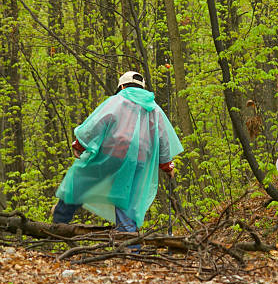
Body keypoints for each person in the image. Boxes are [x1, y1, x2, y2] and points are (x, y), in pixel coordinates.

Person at [52, 71, 183, 234]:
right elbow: (162, 138)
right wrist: (166, 165)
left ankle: (58, 224)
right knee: (127, 200)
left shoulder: (117, 101)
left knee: (79, 181)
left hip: (112, 155)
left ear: (122, 86)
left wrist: (80, 144)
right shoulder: (154, 109)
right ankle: (130, 250)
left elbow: (97, 123)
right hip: (138, 162)